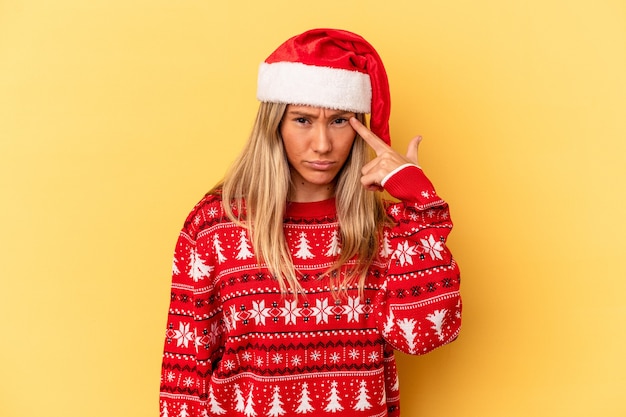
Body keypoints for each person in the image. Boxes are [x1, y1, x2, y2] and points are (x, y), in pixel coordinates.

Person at [159, 28, 461, 417]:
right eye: (302, 120)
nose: (322, 144)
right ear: (274, 125)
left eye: (339, 121)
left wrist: (420, 203)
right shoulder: (217, 225)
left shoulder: (384, 230)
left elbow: (426, 334)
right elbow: (184, 375)